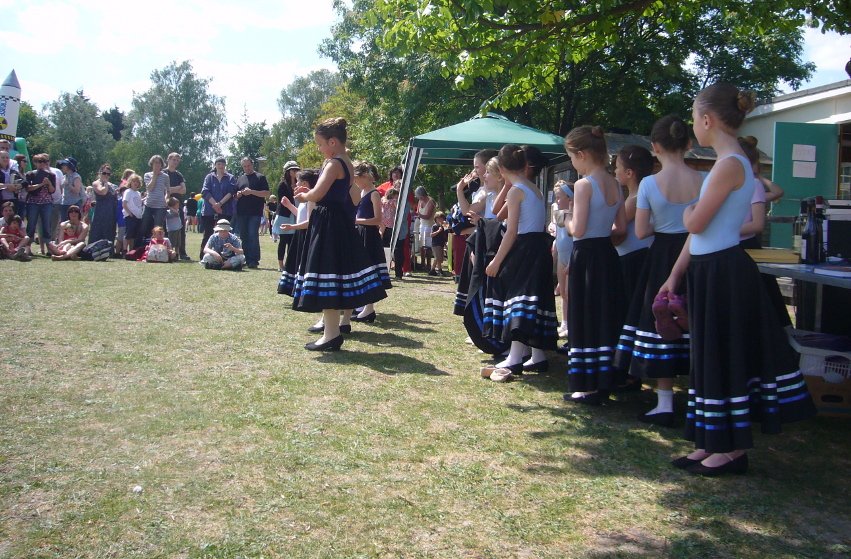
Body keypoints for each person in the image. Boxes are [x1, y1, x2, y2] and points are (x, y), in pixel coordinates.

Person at [660, 82, 815, 476]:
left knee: (721, 357)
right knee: (710, 357)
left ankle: (728, 450)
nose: (694, 126)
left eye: (695, 119)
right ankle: (711, 441)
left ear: (708, 120)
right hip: (712, 268)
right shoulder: (729, 165)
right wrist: (676, 274)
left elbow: (694, 222)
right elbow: (698, 232)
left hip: (723, 270)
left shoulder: (729, 166)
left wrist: (691, 208)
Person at [613, 116, 703, 425]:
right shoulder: (705, 180)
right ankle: (698, 401)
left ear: (654, 148)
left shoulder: (650, 183)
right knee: (697, 325)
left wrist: (663, 224)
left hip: (662, 257)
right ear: (688, 144)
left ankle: (664, 404)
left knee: (661, 324)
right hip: (698, 256)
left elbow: (640, 232)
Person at [289, 118, 387, 351]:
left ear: (332, 142)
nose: (320, 149)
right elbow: (353, 199)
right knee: (332, 277)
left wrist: (303, 196)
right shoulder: (347, 163)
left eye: (321, 144)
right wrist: (314, 194)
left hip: (329, 223)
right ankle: (331, 332)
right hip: (338, 222)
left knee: (326, 273)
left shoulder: (333, 163)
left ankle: (331, 334)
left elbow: (318, 194)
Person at [479, 144, 558, 382]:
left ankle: (514, 357)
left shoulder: (516, 191)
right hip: (538, 247)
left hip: (524, 248)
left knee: (516, 298)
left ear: (501, 169)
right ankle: (538, 354)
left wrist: (496, 261)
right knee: (532, 299)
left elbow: (511, 231)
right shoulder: (533, 188)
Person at [562, 126, 627, 405]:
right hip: (607, 256)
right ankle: (604, 382)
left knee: (583, 317)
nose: (573, 165)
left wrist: (564, 219)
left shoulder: (584, 184)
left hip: (586, 255)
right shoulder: (615, 184)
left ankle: (586, 385)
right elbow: (621, 228)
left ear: (581, 154)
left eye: (572, 159)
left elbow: (578, 229)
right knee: (605, 317)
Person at [737, 136, 791, 327]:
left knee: (763, 298)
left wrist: (760, 178)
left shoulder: (754, 185)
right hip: (732, 246)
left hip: (746, 246)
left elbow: (777, 192)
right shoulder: (728, 184)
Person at [352, 160, 392, 323]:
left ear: (366, 176)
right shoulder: (361, 193)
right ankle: (364, 307)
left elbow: (377, 219)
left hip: (369, 234)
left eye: (357, 179)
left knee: (370, 269)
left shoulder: (374, 193)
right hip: (361, 232)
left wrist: (356, 221)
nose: (355, 183)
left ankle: (369, 309)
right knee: (362, 270)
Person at [614, 146, 655, 293]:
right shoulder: (633, 198)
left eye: (618, 167)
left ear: (629, 173)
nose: (615, 171)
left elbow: (617, 227)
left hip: (633, 259)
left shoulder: (635, 200)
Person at [278, 168, 319, 295]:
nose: (296, 184)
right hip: (299, 235)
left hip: (306, 235)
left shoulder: (311, 199)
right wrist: (289, 205)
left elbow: (309, 222)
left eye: (298, 182)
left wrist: (292, 227)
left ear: (305, 184)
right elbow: (300, 215)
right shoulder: (303, 200)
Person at [233, 157, 269, 269]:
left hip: (255, 212)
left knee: (253, 235)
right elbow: (235, 195)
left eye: (248, 165)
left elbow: (267, 193)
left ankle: (254, 260)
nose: (247, 168)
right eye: (244, 166)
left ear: (252, 165)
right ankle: (245, 258)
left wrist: (251, 192)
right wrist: (238, 195)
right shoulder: (240, 179)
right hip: (241, 212)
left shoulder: (260, 177)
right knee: (244, 236)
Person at [199, 157, 236, 260]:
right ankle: (204, 256)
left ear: (225, 165)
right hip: (209, 210)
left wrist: (220, 204)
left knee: (224, 234)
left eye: (222, 164)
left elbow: (231, 192)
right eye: (218, 164)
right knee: (208, 234)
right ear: (215, 165)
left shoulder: (230, 178)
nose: (220, 166)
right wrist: (215, 205)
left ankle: (225, 256)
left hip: (225, 210)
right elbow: (205, 191)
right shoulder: (209, 177)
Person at [551, 180, 574, 340]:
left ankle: (572, 323)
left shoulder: (575, 216)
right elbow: (558, 240)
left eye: (559, 197)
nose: (556, 201)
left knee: (570, 292)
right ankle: (564, 322)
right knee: (563, 294)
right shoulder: (560, 216)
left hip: (572, 257)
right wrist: (553, 259)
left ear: (570, 199)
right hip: (562, 258)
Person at [24, 154, 57, 251]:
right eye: (39, 161)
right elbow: (28, 188)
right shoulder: (30, 174)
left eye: (44, 161)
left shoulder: (51, 175)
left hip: (46, 202)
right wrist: (41, 184)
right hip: (33, 202)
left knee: (47, 225)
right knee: (31, 225)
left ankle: (49, 248)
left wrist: (48, 183)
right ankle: (27, 247)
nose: (42, 164)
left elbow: (52, 190)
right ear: (35, 163)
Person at [139, 155, 170, 247]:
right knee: (143, 226)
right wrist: (155, 175)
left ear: (161, 164)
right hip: (148, 205)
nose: (157, 164)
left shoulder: (165, 176)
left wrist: (166, 199)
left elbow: (168, 190)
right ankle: (139, 246)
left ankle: (157, 247)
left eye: (159, 163)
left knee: (158, 228)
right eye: (155, 162)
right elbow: (150, 188)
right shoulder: (147, 175)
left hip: (160, 206)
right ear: (151, 164)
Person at [274, 161, 300, 271]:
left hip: (296, 214)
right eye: (293, 170)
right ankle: (281, 264)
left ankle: (290, 264)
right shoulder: (283, 185)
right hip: (285, 215)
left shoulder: (300, 183)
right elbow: (283, 201)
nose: (296, 172)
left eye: (297, 170)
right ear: (288, 172)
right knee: (283, 240)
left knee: (292, 241)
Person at [165, 153, 190, 260]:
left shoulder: (179, 175)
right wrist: (176, 188)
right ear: (168, 160)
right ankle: (166, 251)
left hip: (177, 206)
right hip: (165, 205)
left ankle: (181, 252)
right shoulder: (163, 173)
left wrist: (170, 189)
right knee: (167, 230)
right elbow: (164, 189)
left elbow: (184, 190)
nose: (175, 162)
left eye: (177, 160)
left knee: (181, 230)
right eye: (174, 160)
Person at [89, 164, 118, 246]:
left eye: (108, 174)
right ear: (100, 172)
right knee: (99, 229)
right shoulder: (96, 183)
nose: (106, 175)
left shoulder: (111, 185)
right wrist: (105, 183)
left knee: (110, 230)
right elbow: (103, 192)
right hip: (101, 210)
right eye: (104, 173)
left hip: (111, 210)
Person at [414, 186, 436, 272]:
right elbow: (418, 212)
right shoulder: (420, 201)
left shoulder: (431, 201)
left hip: (429, 226)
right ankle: (422, 263)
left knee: (428, 246)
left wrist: (418, 215)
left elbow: (428, 216)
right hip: (422, 225)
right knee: (421, 246)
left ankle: (428, 264)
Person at [57, 157, 84, 223]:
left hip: (74, 203)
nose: (62, 166)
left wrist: (68, 184)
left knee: (74, 224)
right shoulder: (64, 176)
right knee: (64, 224)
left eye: (64, 165)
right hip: (64, 203)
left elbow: (77, 191)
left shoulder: (76, 176)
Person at [122, 174, 144, 253]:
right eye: (134, 181)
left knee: (134, 236)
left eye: (137, 182)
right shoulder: (128, 191)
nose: (135, 183)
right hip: (130, 216)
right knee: (128, 234)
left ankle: (131, 251)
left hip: (138, 216)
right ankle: (124, 250)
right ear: (130, 182)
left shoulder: (138, 193)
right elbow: (124, 204)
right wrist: (130, 214)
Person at [429, 212, 449, 276]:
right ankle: (432, 269)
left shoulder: (443, 226)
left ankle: (440, 270)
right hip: (435, 244)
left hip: (441, 244)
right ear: (436, 219)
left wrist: (446, 225)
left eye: (441, 218)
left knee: (440, 258)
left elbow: (447, 232)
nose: (440, 220)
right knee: (437, 258)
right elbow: (431, 235)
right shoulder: (435, 226)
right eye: (438, 219)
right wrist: (438, 231)